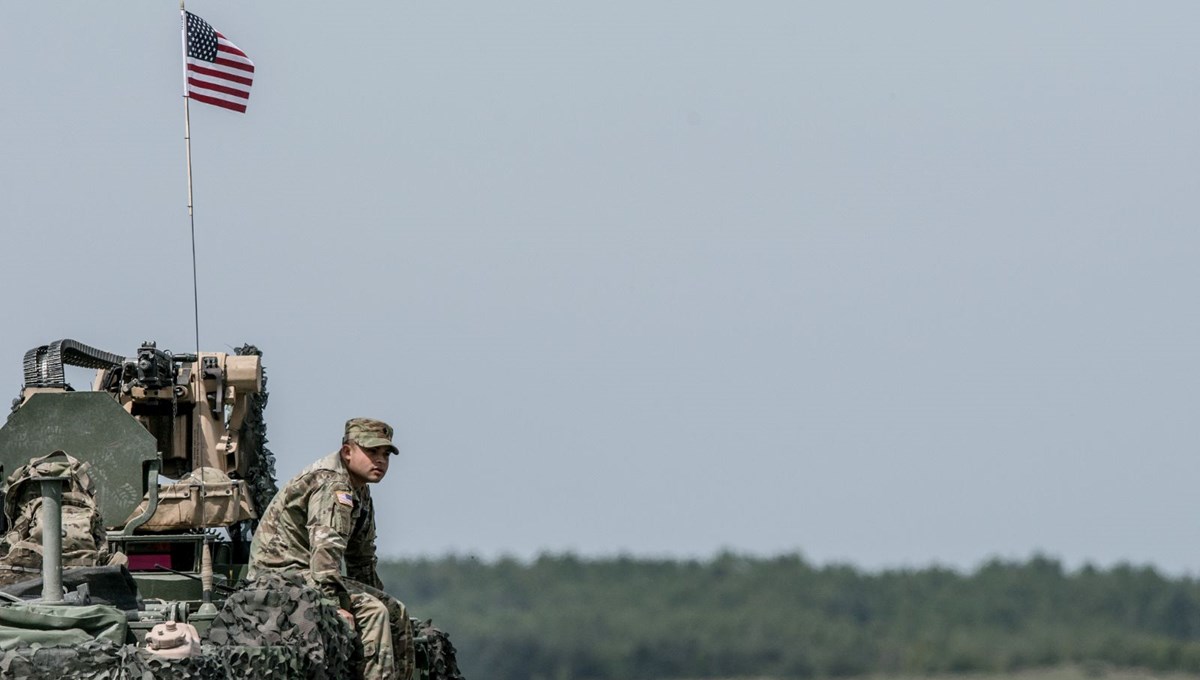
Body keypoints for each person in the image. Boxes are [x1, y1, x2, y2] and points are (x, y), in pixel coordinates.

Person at [248, 417, 414, 680]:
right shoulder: (332, 484)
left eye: (385, 454)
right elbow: (326, 552)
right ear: (348, 452)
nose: (380, 461)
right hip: (281, 576)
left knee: (395, 611)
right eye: (371, 452)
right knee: (374, 613)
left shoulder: (358, 489)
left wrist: (373, 593)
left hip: (308, 574)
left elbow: (362, 558)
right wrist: (334, 603)